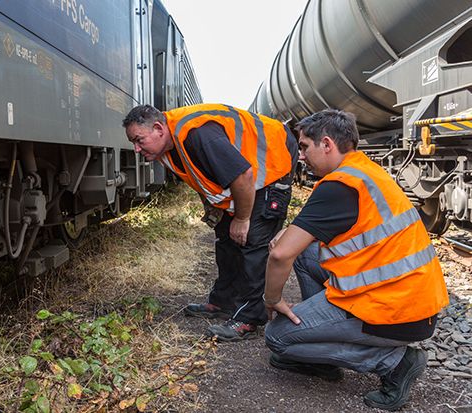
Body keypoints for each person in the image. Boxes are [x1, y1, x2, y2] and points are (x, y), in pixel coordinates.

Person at [263, 109, 448, 411]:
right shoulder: (363, 171)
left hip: (392, 312)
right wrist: (290, 233)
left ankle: (395, 363)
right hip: (413, 300)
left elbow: (281, 253)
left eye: (305, 147)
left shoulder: (338, 186)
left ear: (326, 144)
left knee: (279, 338)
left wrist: (271, 299)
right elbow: (312, 239)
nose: (301, 156)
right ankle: (321, 349)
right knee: (308, 254)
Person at [122, 103, 298, 341]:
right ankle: (223, 302)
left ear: (157, 128)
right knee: (226, 239)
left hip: (272, 167)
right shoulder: (170, 144)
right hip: (245, 179)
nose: (136, 148)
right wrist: (219, 214)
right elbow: (203, 177)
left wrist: (243, 218)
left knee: (252, 243)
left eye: (139, 140)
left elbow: (243, 175)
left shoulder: (198, 134)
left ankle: (248, 318)